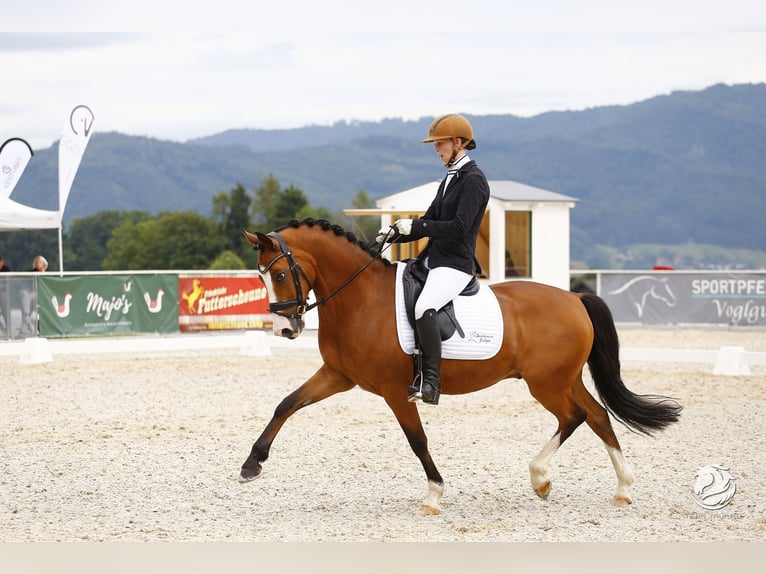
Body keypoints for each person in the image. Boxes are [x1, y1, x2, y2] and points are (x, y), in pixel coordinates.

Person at [378, 114, 490, 405]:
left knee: (425, 305)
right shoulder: (450, 178)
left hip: (455, 265)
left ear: (458, 142)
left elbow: (459, 227)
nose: (436, 149)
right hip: (434, 260)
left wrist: (416, 227)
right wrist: (394, 234)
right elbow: (429, 221)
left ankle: (430, 382)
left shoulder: (474, 181)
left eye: (440, 144)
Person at [17, 255, 48, 336]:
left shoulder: (48, 275)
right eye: (36, 262)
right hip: (32, 295)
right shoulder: (31, 272)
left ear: (44, 264)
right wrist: (27, 288)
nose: (38, 264)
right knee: (25, 295)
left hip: (43, 296)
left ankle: (24, 329)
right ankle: (27, 319)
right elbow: (23, 280)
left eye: (40, 262)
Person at [0, 256, 11, 337]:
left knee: (5, 311)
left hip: (4, 293)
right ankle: (2, 328)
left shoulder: (6, 269)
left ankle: (8, 329)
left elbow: (10, 281)